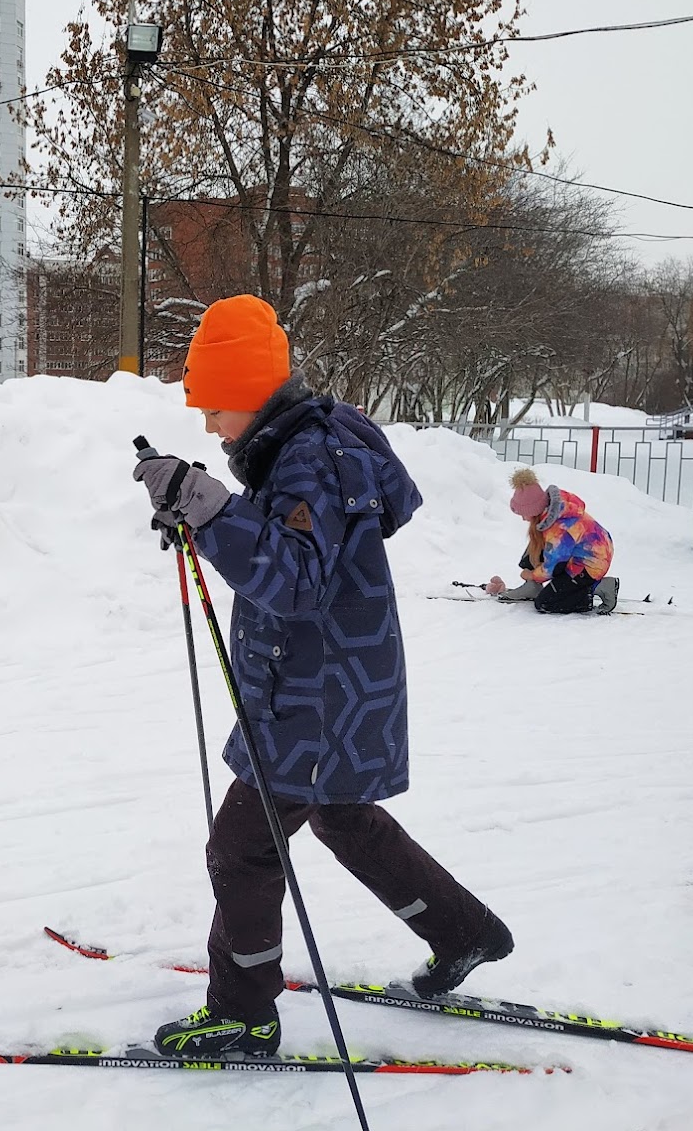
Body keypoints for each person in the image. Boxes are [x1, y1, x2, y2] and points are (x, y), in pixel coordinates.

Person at [132, 294, 511, 1060]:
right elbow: (296, 548)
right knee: (345, 817)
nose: (206, 422)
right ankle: (465, 932)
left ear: (246, 390)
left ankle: (242, 1013)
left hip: (313, 695)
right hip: (333, 685)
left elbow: (295, 579)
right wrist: (210, 513)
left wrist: (207, 510)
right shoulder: (310, 445)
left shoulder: (310, 457)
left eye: (211, 404)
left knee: (242, 846)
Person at [483, 467, 619, 613]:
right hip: (578, 553)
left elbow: (552, 567)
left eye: (524, 514)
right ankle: (532, 586)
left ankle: (599, 586)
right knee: (536, 540)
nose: (523, 518)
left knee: (545, 603)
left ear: (533, 510)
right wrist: (533, 577)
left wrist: (533, 575)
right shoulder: (549, 511)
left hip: (591, 564)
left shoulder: (559, 530)